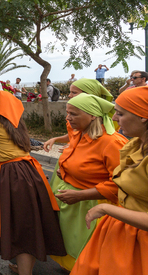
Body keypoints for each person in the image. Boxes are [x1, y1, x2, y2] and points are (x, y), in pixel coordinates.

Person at [0, 91, 66, 275]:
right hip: (30, 172)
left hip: (13, 175)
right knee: (30, 223)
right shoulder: (15, 123)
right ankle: (24, 269)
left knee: (20, 226)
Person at [71, 87, 148, 275]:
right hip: (120, 230)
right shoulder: (135, 144)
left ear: (143, 117)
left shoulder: (115, 142)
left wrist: (105, 208)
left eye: (120, 113)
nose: (114, 118)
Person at [48, 94, 127, 271]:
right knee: (72, 249)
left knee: (90, 258)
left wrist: (80, 194)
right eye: (67, 113)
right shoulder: (78, 135)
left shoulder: (112, 143)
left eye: (73, 114)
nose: (68, 118)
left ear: (93, 115)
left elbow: (121, 185)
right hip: (74, 205)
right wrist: (67, 174)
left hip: (92, 208)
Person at [43, 78, 114, 152]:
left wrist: (75, 147)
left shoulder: (104, 128)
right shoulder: (76, 117)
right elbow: (73, 135)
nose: (69, 95)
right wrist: (56, 139)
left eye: (74, 92)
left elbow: (96, 144)